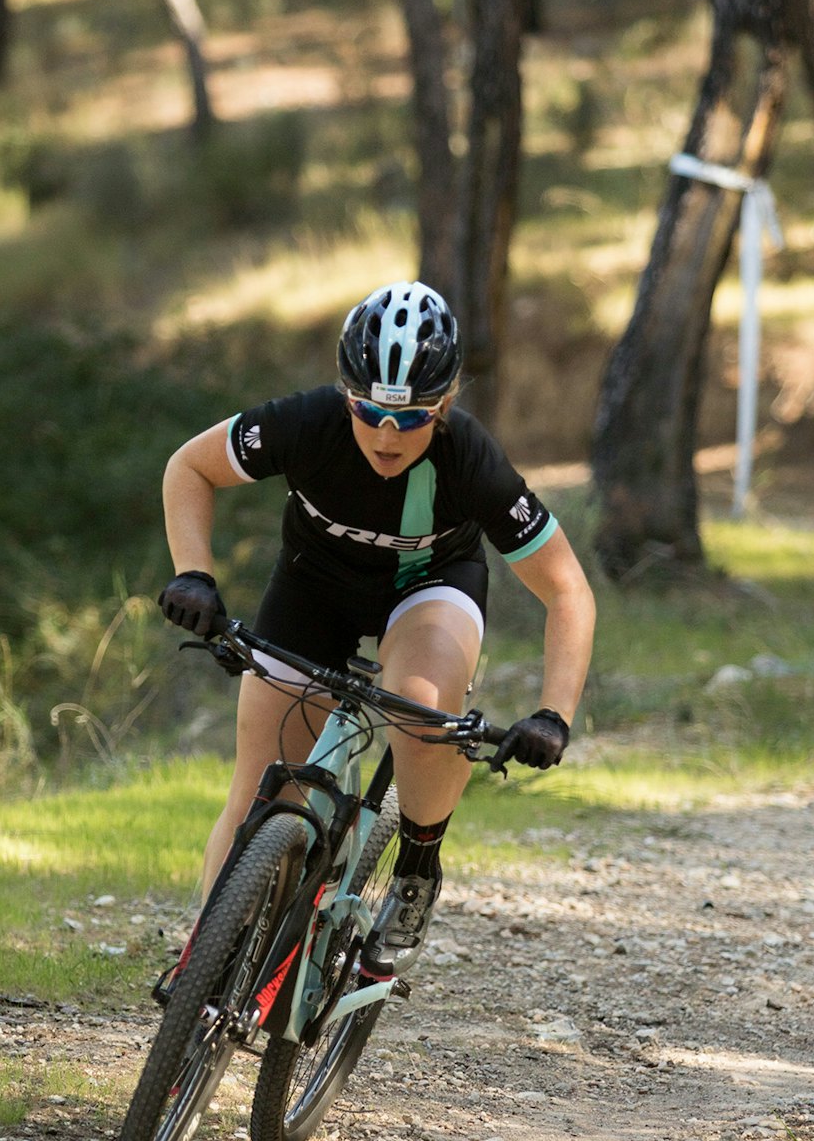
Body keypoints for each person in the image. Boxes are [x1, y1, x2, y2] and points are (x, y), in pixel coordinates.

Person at [159, 281, 595, 976]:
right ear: (345, 394)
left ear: (445, 404)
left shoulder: (470, 459)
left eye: (413, 418)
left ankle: (419, 864)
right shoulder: (305, 424)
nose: (388, 434)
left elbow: (567, 589)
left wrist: (554, 713)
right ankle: (204, 970)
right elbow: (190, 468)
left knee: (421, 702)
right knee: (260, 791)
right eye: (369, 411)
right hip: (313, 587)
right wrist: (194, 574)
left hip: (428, 591)